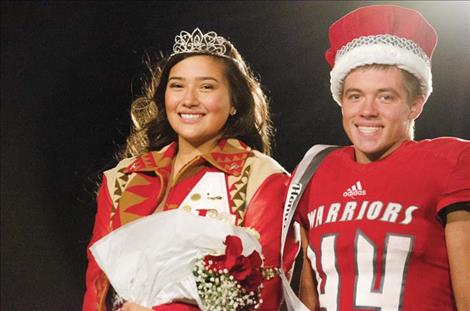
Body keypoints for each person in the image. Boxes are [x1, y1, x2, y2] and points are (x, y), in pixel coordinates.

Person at [83, 28, 298, 311]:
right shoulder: (123, 177)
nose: (189, 100)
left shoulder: (262, 178)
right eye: (177, 85)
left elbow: (263, 294)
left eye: (206, 87)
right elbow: (96, 289)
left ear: (235, 101)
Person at [293, 5, 470, 311]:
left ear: (415, 105)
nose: (367, 110)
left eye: (386, 96)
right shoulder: (315, 169)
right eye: (355, 96)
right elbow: (308, 294)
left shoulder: (451, 161)